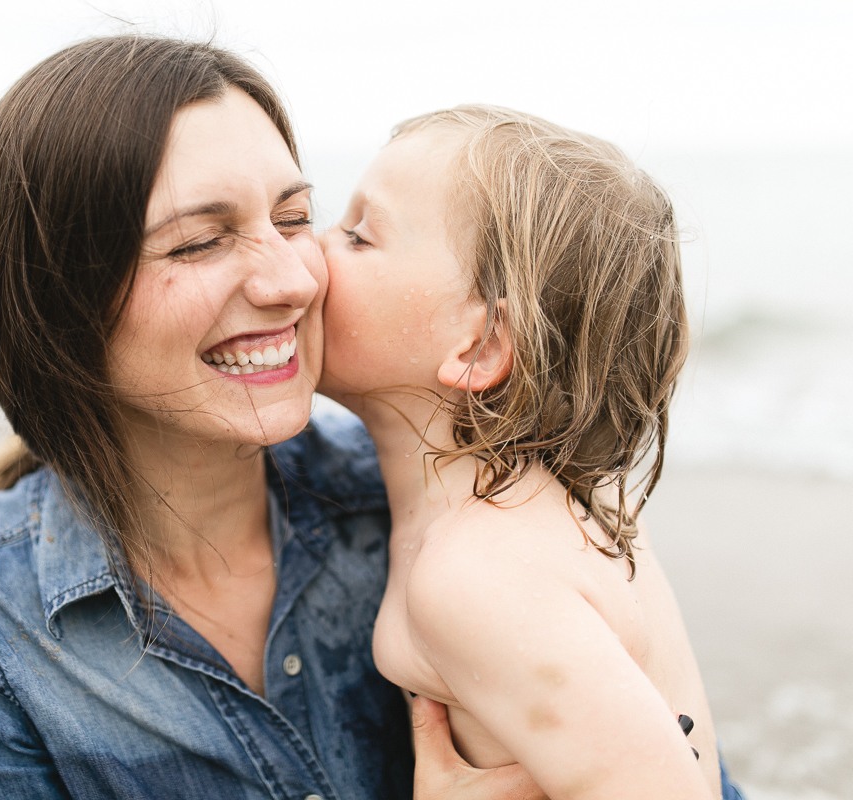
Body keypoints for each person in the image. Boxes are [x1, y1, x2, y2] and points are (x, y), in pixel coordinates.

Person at [0, 37, 548, 799]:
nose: (293, 279)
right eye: (198, 242)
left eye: (293, 219)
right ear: (59, 302)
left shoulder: (446, 505)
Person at [319, 105, 745, 799]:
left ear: (481, 343)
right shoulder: (546, 501)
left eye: (359, 236)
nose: (311, 249)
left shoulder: (475, 570)